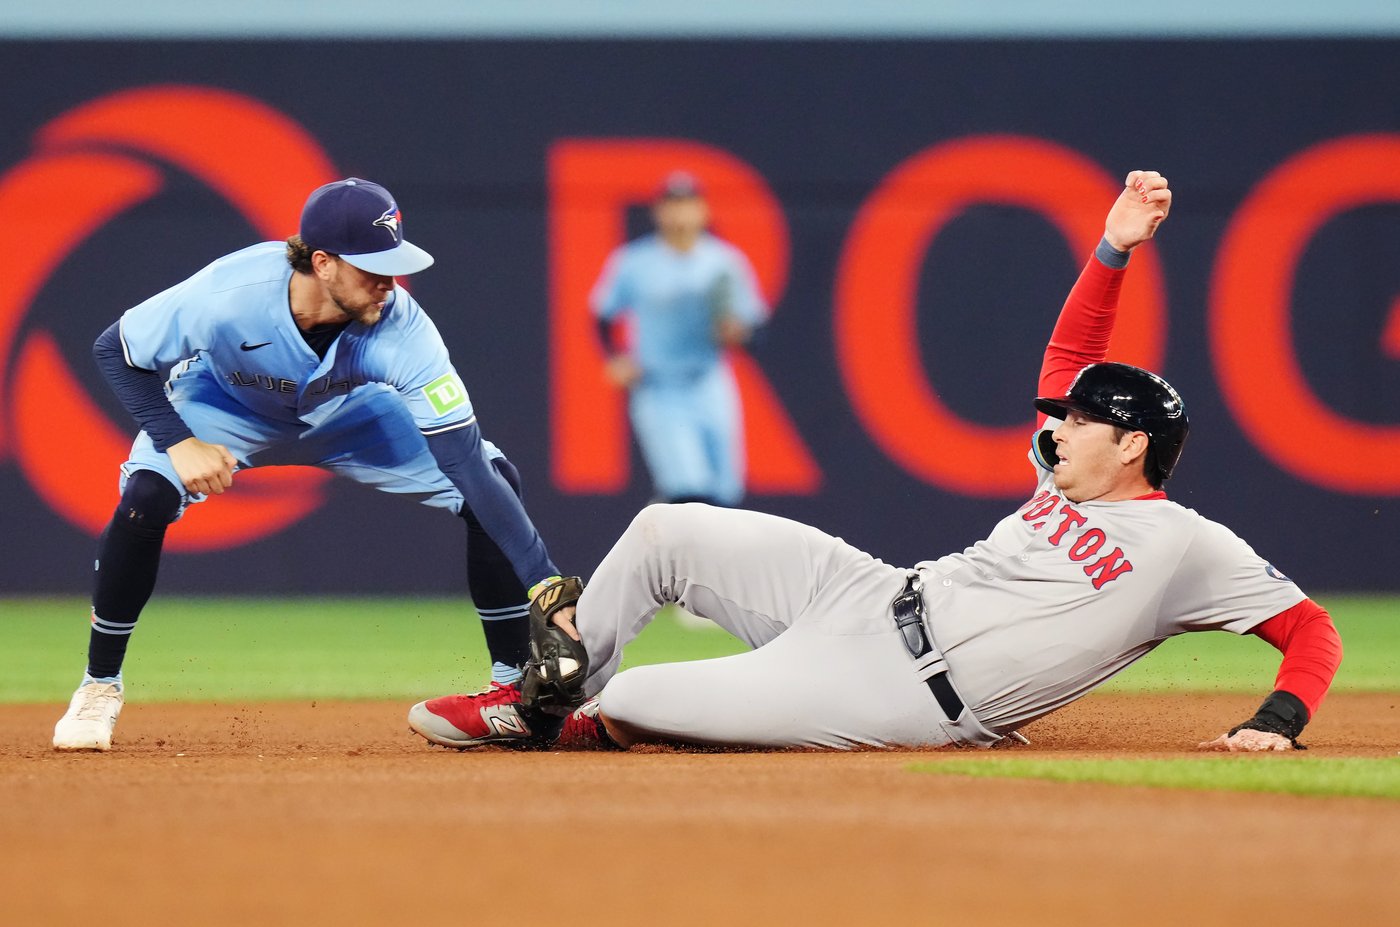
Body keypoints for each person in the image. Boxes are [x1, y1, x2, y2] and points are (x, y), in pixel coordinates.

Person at [407, 170, 1343, 753]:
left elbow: (1312, 632)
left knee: (645, 698)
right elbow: (1070, 361)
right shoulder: (1065, 466)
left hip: (902, 694)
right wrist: (1112, 249)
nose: (1057, 424)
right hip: (874, 593)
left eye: (1083, 419)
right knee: (665, 529)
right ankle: (540, 701)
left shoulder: (1185, 545)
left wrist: (1277, 720)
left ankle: (590, 717)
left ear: (1132, 442)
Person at [53, 178, 574, 751]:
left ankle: (509, 688)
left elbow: (466, 463)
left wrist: (545, 583)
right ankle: (98, 687)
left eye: (393, 265)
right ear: (322, 263)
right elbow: (116, 349)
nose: (387, 283)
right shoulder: (232, 292)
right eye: (370, 268)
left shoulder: (402, 326)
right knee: (146, 499)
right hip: (224, 404)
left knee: (495, 481)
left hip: (348, 411)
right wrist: (178, 442)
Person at [590, 171, 769, 507]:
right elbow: (602, 315)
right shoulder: (636, 262)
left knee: (725, 491)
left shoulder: (724, 263)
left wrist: (737, 335)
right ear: (658, 212)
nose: (679, 214)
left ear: (703, 210)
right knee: (687, 488)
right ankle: (670, 551)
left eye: (687, 205)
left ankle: (671, 540)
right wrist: (615, 356)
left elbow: (755, 333)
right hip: (659, 385)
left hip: (709, 380)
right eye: (671, 206)